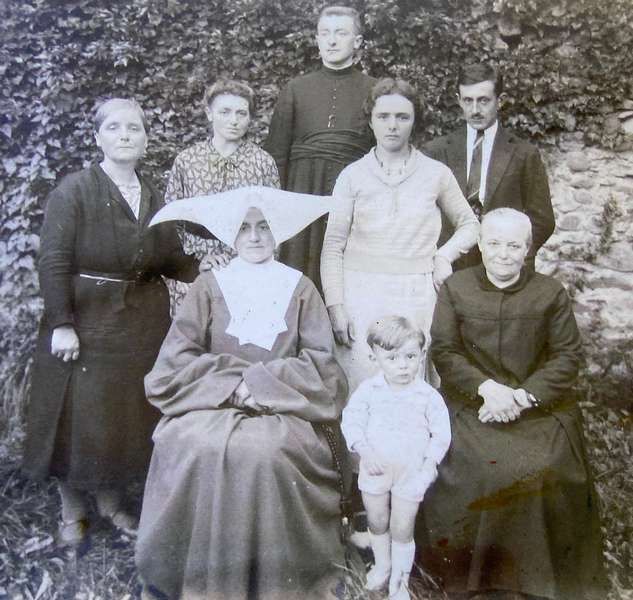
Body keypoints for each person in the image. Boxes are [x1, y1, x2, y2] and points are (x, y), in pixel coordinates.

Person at [135, 187, 349, 600]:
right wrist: (233, 385)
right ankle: (196, 576)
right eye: (244, 228)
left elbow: (322, 365)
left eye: (264, 226)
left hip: (282, 408)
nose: (254, 237)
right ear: (230, 236)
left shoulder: (300, 287)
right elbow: (176, 361)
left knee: (266, 453)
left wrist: (261, 386)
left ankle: (274, 581)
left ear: (277, 232)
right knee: (197, 445)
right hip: (213, 402)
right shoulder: (209, 286)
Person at [22, 99, 202, 546]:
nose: (125, 135)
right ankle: (72, 510)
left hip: (140, 323)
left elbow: (169, 258)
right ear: (97, 137)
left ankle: (111, 501)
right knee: (79, 416)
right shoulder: (74, 191)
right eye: (115, 127)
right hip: (87, 320)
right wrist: (62, 323)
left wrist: (210, 268)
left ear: (146, 140)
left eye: (134, 128)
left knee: (122, 415)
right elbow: (53, 260)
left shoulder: (153, 195)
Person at [419, 208, 605, 599]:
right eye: (495, 244)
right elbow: (446, 351)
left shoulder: (549, 292)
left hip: (537, 407)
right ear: (480, 245)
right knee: (478, 467)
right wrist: (486, 388)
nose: (503, 254)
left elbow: (567, 355)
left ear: (528, 249)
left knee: (541, 468)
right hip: (474, 402)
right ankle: (473, 578)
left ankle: (537, 580)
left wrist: (521, 397)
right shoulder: (457, 289)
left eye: (514, 246)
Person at [321, 77, 479, 392]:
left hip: (415, 296)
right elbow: (333, 247)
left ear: (414, 120)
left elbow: (471, 224)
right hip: (361, 296)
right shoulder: (352, 176)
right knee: (363, 386)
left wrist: (443, 256)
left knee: (409, 386)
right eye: (383, 116)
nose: (392, 125)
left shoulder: (436, 174)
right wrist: (336, 305)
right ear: (370, 120)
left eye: (402, 117)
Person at [265, 5, 375, 290]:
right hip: (301, 192)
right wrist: (278, 212)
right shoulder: (295, 89)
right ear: (317, 39)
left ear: (357, 41)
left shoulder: (374, 90)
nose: (332, 41)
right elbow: (276, 156)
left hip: (352, 195)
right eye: (325, 33)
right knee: (297, 277)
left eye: (341, 33)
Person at [341, 316, 450, 600]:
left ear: (422, 355)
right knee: (377, 521)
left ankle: (399, 583)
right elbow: (351, 421)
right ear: (374, 357)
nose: (403, 365)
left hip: (411, 472)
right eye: (392, 358)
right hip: (375, 468)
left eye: (410, 357)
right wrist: (365, 450)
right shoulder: (369, 391)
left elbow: (441, 434)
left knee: (402, 528)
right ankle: (383, 567)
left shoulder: (427, 396)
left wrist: (430, 463)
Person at [424, 63, 554, 270]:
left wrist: (514, 258)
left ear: (500, 101)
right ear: (459, 100)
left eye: (483, 101)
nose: (475, 110)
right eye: (468, 100)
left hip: (505, 268)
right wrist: (439, 258)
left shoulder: (524, 154)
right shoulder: (436, 151)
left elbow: (542, 220)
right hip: (450, 268)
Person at [166, 79, 279, 310]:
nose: (233, 120)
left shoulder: (263, 162)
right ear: (209, 114)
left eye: (241, 113)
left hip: (247, 270)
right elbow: (170, 224)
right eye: (225, 112)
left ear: (250, 117)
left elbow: (274, 224)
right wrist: (191, 264)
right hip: (196, 271)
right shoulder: (187, 161)